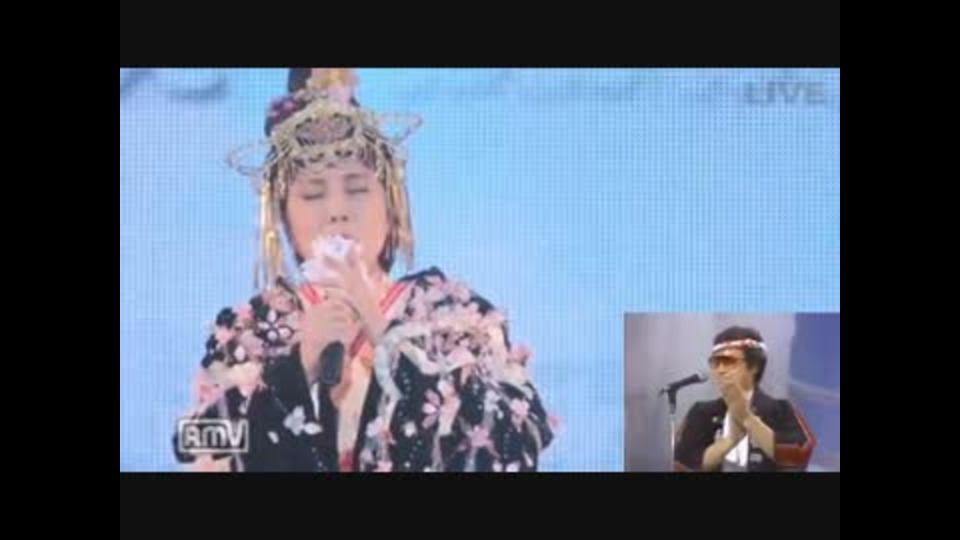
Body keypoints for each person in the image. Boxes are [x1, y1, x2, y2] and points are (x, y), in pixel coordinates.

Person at [172, 68, 556, 472]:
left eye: (357, 189)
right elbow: (193, 442)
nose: (337, 211)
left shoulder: (455, 317)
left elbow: (517, 443)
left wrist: (387, 336)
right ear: (283, 215)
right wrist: (297, 367)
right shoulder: (254, 328)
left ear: (390, 202)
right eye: (312, 194)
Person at [674, 326, 815, 472]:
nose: (720, 370)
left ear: (754, 366)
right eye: (715, 363)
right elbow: (682, 464)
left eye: (728, 361)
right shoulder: (702, 412)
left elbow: (799, 455)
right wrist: (729, 441)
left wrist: (748, 419)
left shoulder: (780, 411)